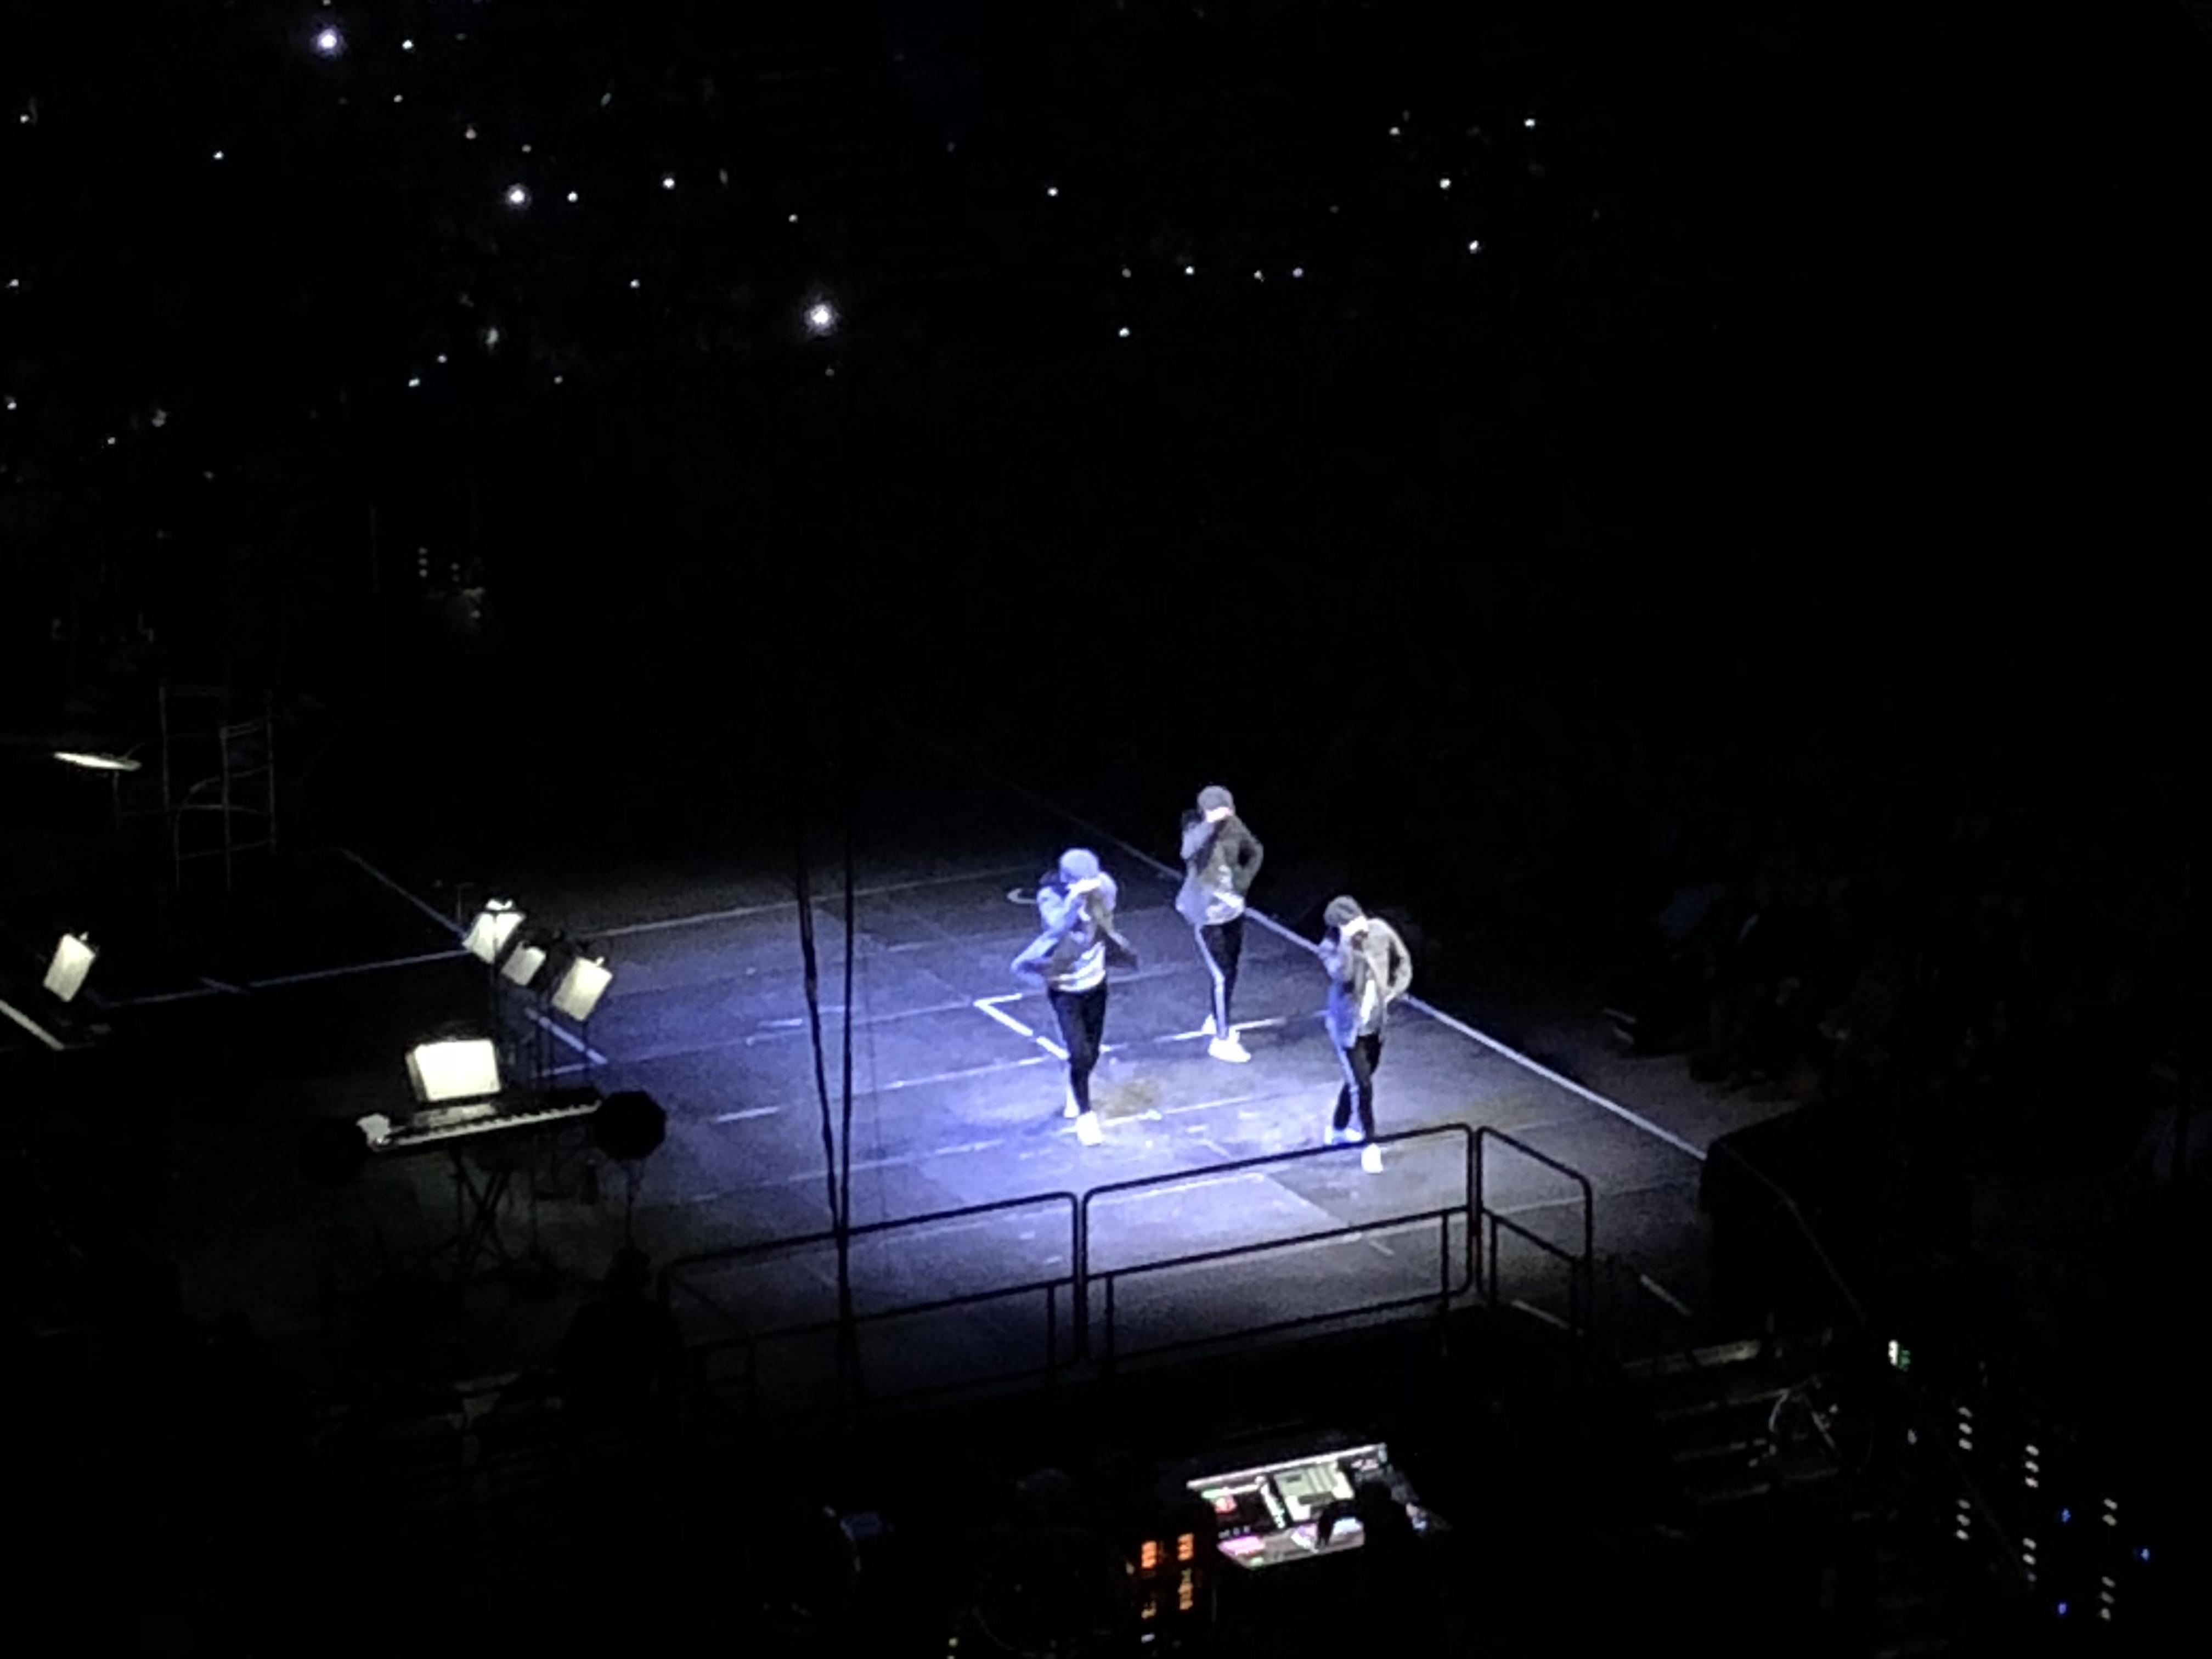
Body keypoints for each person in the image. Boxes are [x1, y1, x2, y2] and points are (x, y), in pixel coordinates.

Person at [1013, 849, 1135, 1146]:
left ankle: (1076, 1083)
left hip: (1095, 981)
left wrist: (1096, 893)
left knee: (1092, 1052)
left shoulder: (1104, 886)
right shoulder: (1050, 897)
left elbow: (1108, 908)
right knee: (1078, 1052)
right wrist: (1074, 900)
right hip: (1064, 986)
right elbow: (1058, 928)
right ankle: (1085, 1114)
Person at [1318, 895, 1414, 1171]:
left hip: (1374, 1023)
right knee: (1363, 1086)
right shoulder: (1330, 948)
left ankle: (1338, 1127)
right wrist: (1348, 943)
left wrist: (1394, 991)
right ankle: (1369, 1144)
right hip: (1347, 1028)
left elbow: (1403, 960)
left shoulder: (1380, 931)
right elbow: (1345, 975)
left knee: (1361, 1079)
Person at [1176, 785, 1266, 1062]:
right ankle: (1221, 1040)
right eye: (1216, 810)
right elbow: (1187, 851)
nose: (1224, 815)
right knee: (1221, 975)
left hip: (1232, 910)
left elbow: (1256, 850)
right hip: (1206, 915)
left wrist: (1244, 880)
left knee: (1231, 969)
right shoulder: (1195, 829)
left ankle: (1216, 1017)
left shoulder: (1234, 826)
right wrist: (1209, 825)